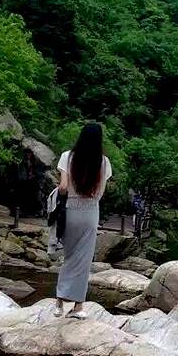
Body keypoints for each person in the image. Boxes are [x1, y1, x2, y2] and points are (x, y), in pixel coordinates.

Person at [55, 122, 112, 319]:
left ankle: (59, 303)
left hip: (71, 209)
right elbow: (101, 192)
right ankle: (78, 307)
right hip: (90, 211)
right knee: (84, 260)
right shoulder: (103, 162)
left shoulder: (67, 156)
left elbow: (63, 187)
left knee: (69, 256)